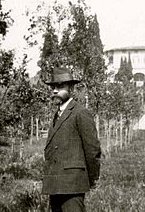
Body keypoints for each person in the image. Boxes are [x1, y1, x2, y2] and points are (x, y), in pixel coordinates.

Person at [42, 67, 101, 212]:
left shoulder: (80, 113)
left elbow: (92, 149)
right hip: (55, 183)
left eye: (60, 86)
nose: (55, 91)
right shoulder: (57, 115)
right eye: (53, 87)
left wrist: (91, 178)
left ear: (71, 88)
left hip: (73, 184)